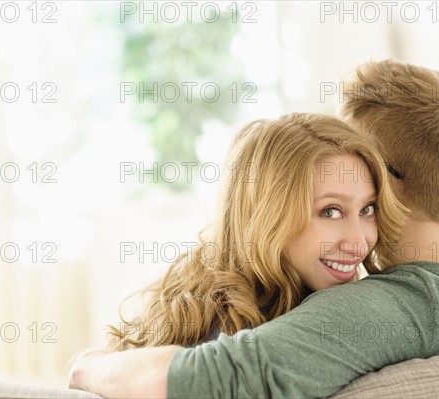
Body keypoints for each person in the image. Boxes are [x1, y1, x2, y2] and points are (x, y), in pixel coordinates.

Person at [68, 61, 439, 398]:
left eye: (357, 155)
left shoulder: (386, 308)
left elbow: (217, 378)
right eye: (329, 210)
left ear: (383, 178)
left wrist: (89, 365)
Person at [107, 112, 405, 350]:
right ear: (267, 217)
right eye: (330, 211)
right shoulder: (233, 343)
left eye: (368, 209)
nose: (358, 241)